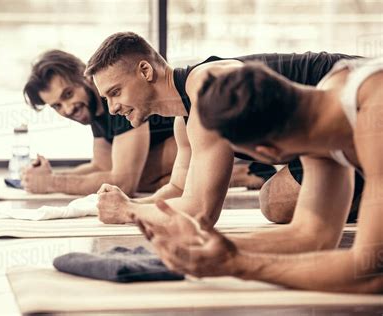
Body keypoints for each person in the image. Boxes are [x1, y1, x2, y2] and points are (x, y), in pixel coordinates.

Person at [136, 58, 383, 293]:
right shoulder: (316, 114)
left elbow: (370, 273)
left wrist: (237, 265)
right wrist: (206, 242)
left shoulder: (373, 110)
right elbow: (310, 236)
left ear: (269, 153)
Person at [86, 31, 361, 225]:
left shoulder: (205, 86)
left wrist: (128, 212)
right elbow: (179, 190)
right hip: (324, 140)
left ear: (145, 71)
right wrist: (126, 204)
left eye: (115, 92)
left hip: (355, 104)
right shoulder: (184, 120)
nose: (112, 108)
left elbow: (201, 212)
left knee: (276, 202)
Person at [21, 50, 176, 196]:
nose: (67, 110)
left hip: (192, 148)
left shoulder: (118, 103)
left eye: (68, 94)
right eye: (57, 106)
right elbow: (101, 167)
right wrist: (47, 176)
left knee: (135, 175)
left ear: (86, 77)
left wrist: (51, 183)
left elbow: (123, 183)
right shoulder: (94, 108)